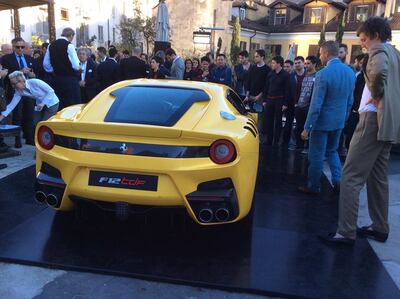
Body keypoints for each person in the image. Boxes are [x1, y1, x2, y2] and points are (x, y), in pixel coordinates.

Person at [322, 17, 400, 245]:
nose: (363, 44)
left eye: (364, 39)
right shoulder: (395, 53)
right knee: (378, 178)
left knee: (350, 177)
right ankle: (380, 227)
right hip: (388, 122)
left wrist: (376, 96)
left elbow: (379, 75)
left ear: (375, 35)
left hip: (372, 120)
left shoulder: (377, 52)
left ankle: (346, 232)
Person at [299, 41, 355, 195]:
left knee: (316, 156)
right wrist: (343, 119)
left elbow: (316, 105)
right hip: (338, 121)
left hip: (322, 123)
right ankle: (338, 181)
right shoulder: (350, 72)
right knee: (332, 151)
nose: (320, 56)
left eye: (320, 53)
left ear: (326, 53)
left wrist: (307, 128)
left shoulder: (322, 74)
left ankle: (313, 186)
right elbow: (350, 101)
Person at [1, 37, 36, 147]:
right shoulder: (7, 58)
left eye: (22, 47)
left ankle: (29, 137)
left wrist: (32, 74)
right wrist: (19, 72)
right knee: (18, 115)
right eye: (18, 47)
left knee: (29, 114)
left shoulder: (28, 58)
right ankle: (17, 140)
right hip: (15, 90)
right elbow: (5, 75)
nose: (20, 49)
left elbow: (35, 74)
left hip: (28, 90)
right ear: (13, 47)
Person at [43, 27, 81, 110]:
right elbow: (76, 65)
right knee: (72, 106)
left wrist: (53, 71)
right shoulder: (69, 45)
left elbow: (46, 64)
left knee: (59, 105)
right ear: (71, 35)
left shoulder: (51, 45)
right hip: (70, 80)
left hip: (57, 79)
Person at [262, 56, 290, 146]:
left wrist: (285, 103)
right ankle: (269, 140)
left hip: (279, 100)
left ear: (279, 64)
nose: (272, 64)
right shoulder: (270, 74)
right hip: (269, 100)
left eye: (273, 63)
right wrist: (264, 100)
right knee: (268, 121)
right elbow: (266, 87)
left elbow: (287, 90)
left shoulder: (286, 75)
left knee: (278, 121)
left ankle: (276, 141)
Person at [244, 50, 271, 136]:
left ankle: (258, 135)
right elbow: (249, 81)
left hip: (260, 98)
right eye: (255, 56)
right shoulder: (252, 68)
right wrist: (247, 95)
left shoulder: (267, 69)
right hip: (251, 96)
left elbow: (266, 85)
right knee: (251, 116)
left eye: (257, 56)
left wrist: (259, 96)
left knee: (260, 117)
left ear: (262, 57)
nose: (255, 58)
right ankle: (251, 135)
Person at [294, 56, 317, 151]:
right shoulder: (304, 75)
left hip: (309, 106)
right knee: (299, 126)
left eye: (308, 63)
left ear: (314, 64)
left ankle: (308, 147)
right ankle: (299, 146)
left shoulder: (317, 76)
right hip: (300, 105)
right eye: (306, 63)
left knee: (308, 128)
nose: (306, 65)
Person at [283, 56, 305, 146]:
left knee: (301, 125)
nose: (297, 65)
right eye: (295, 63)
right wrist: (285, 103)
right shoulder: (291, 76)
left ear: (303, 63)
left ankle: (300, 144)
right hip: (291, 103)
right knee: (288, 123)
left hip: (304, 104)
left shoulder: (308, 75)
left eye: (299, 63)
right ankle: (286, 143)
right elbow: (287, 91)